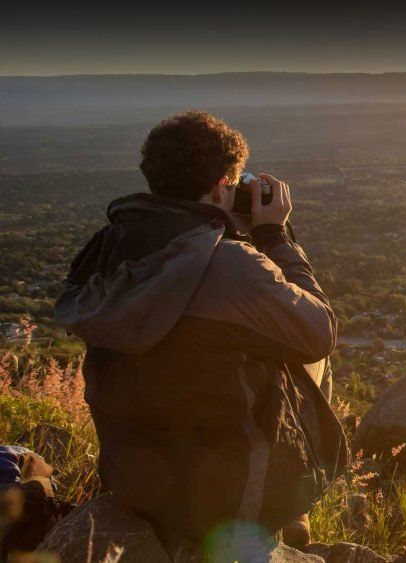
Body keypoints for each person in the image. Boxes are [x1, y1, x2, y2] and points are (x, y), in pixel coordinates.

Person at [54, 111, 345, 554]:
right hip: (226, 500)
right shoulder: (228, 266)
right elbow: (319, 330)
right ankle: (289, 516)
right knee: (303, 344)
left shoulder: (104, 250)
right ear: (221, 187)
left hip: (134, 482)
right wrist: (273, 237)